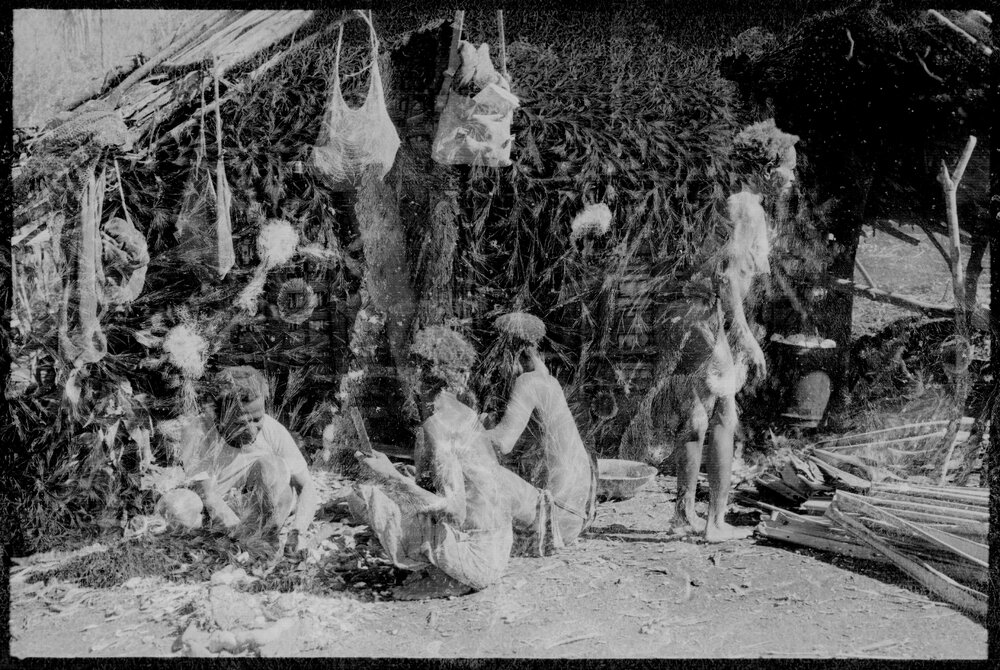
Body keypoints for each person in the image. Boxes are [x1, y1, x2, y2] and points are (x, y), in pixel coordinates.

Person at [347, 326, 538, 598]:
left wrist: (390, 475)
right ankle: (446, 572)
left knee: (365, 496)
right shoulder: (462, 412)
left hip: (477, 559)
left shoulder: (439, 427)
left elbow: (454, 510)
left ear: (417, 376)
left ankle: (447, 577)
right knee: (403, 483)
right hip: (497, 547)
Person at [636, 190, 771, 542]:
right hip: (704, 325)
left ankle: (683, 515)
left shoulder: (706, 235)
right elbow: (727, 284)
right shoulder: (738, 235)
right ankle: (716, 521)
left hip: (686, 323)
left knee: (695, 420)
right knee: (724, 420)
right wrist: (744, 337)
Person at [157, 366, 319, 551]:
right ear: (218, 415)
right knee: (178, 507)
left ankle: (265, 535)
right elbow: (208, 496)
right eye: (242, 423)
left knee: (274, 466)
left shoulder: (272, 430)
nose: (252, 429)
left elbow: (307, 486)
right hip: (217, 513)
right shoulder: (198, 432)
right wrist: (244, 538)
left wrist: (298, 531)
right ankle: (228, 543)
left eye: (257, 419)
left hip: (261, 510)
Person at [484, 313, 598, 553]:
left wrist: (464, 428)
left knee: (482, 472)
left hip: (557, 517)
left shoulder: (528, 382)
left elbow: (503, 442)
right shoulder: (548, 380)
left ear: (509, 352)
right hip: (573, 516)